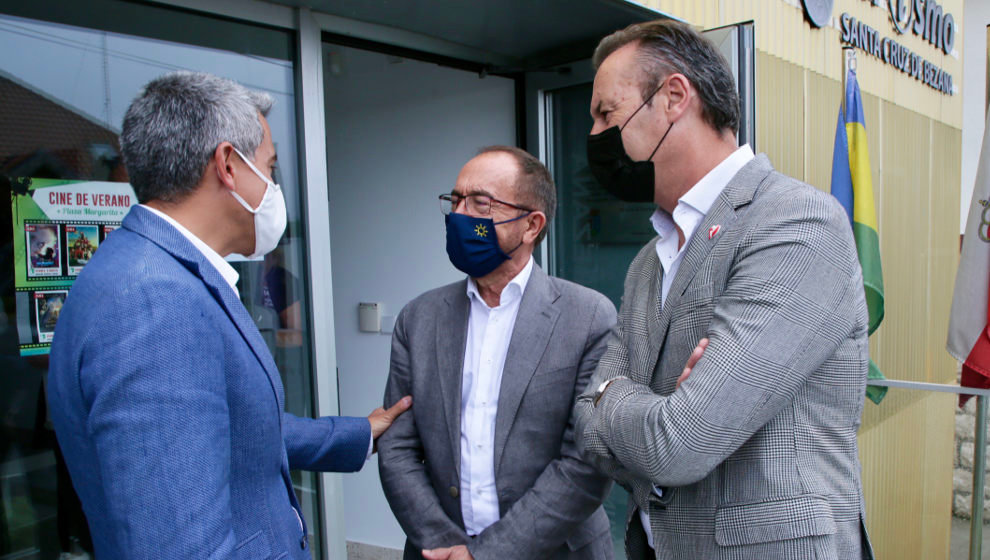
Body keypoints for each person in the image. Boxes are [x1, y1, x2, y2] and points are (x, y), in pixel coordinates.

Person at [47, 72, 411, 559]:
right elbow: (180, 545)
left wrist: (359, 434)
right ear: (228, 165)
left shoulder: (149, 271)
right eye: (270, 166)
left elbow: (234, 427)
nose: (275, 187)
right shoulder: (156, 301)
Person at [574, 20, 874, 559]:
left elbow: (680, 443)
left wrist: (609, 396)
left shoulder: (796, 224)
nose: (595, 136)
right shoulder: (649, 261)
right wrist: (641, 409)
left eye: (606, 113)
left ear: (672, 98)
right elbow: (590, 430)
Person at [378, 146, 616, 560]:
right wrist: (443, 542)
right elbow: (397, 447)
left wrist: (485, 554)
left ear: (531, 225)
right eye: (455, 201)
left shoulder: (588, 317)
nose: (460, 215)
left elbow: (585, 462)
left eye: (480, 203)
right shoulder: (418, 319)